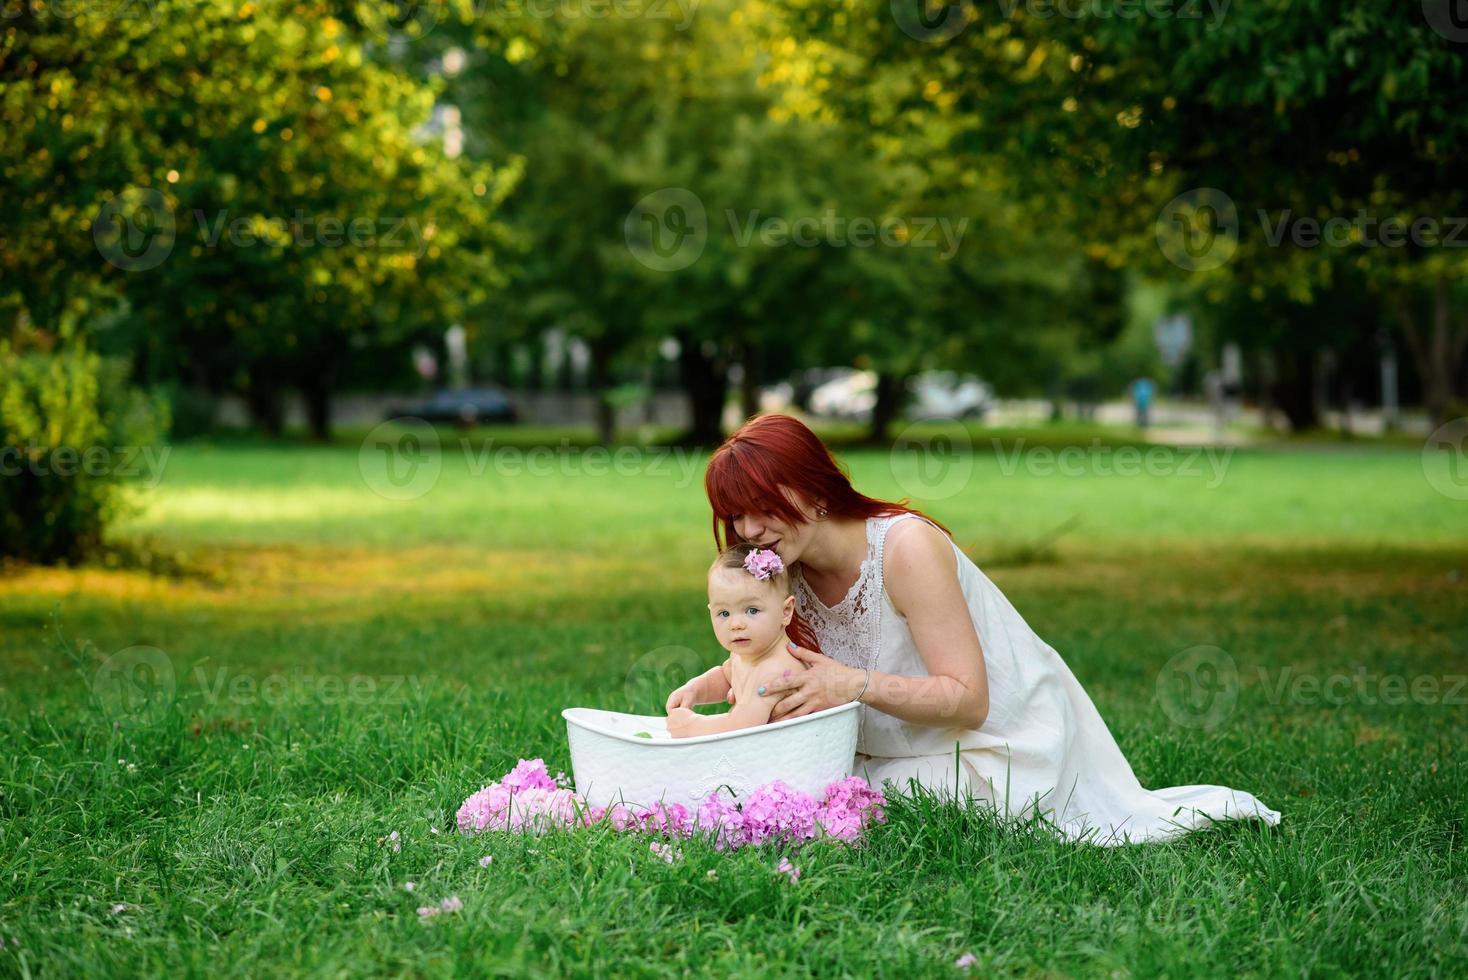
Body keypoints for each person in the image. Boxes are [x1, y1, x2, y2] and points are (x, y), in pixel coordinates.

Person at [700, 413, 1280, 844]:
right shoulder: (781, 573)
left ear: (813, 487)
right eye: (736, 516)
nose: (750, 530)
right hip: (891, 748)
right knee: (776, 792)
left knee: (839, 804)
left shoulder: (904, 549)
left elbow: (969, 701)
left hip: (995, 749)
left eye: (762, 505)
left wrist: (852, 685)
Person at [663, 543, 808, 738]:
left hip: (792, 757)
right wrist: (695, 690)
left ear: (786, 611)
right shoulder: (748, 654)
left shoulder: (775, 671)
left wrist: (692, 725)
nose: (736, 624)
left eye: (752, 610)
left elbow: (742, 726)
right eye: (724, 613)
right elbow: (726, 676)